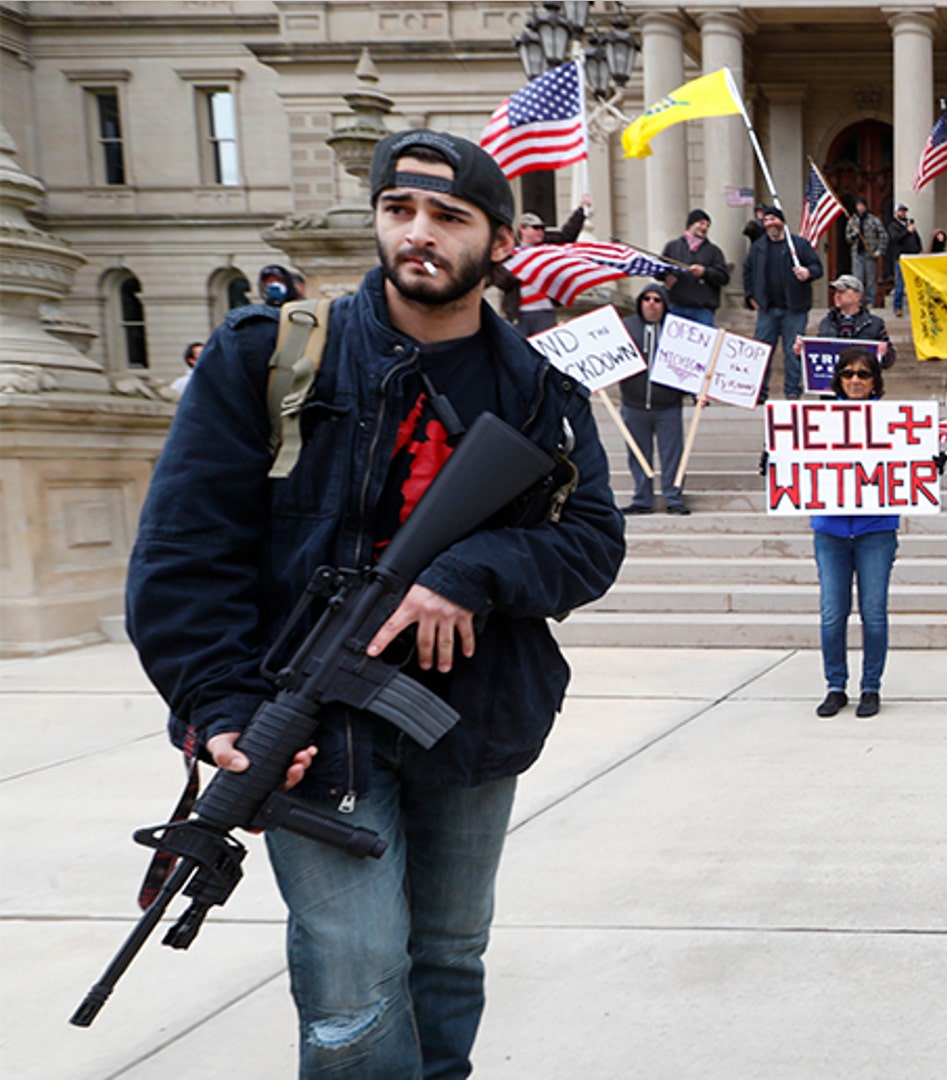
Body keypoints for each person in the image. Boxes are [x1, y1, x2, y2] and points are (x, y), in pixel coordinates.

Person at [125, 128, 626, 1079]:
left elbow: (593, 546)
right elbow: (184, 555)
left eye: (449, 215)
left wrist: (471, 571)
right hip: (308, 729)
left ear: (502, 242)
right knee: (352, 990)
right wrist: (219, 709)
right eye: (399, 211)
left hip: (472, 722)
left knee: (447, 958)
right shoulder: (268, 358)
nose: (419, 234)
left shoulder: (539, 391)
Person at [810, 347, 897, 721]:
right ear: (838, 380)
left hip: (875, 528)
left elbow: (907, 462)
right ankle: (835, 686)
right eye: (848, 374)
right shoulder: (817, 419)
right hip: (830, 528)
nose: (856, 380)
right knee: (833, 613)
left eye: (863, 374)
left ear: (875, 379)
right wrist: (777, 459)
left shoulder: (892, 420)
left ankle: (871, 687)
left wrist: (928, 462)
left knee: (873, 612)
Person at [618, 283, 691, 515]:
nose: (651, 303)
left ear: (664, 305)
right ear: (640, 303)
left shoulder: (678, 332)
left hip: (668, 406)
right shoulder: (626, 328)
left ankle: (673, 497)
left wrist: (696, 391)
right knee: (638, 454)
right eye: (646, 298)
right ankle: (642, 498)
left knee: (672, 455)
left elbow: (692, 365)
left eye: (657, 300)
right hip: (634, 405)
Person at [742, 205, 823, 400]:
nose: (770, 223)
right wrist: (751, 296)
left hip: (794, 309)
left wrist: (808, 272)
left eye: (774, 219)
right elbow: (748, 272)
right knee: (762, 352)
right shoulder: (758, 248)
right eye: (767, 220)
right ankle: (759, 392)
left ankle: (793, 391)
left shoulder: (799, 245)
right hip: (767, 310)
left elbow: (817, 267)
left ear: (782, 222)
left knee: (792, 353)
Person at [512, 198, 590, 334]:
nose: (540, 231)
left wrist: (581, 211)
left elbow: (567, 235)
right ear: (522, 229)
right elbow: (500, 279)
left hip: (545, 310)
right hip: (519, 313)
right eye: (535, 227)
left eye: (542, 228)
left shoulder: (546, 247)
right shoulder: (511, 253)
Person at [661, 208, 730, 327]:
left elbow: (723, 277)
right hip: (676, 306)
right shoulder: (672, 247)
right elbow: (659, 268)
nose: (704, 228)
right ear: (691, 224)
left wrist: (705, 272)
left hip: (702, 310)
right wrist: (666, 276)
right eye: (701, 223)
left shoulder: (714, 251)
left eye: (707, 225)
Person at [819, 273, 893, 368]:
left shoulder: (874, 324)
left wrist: (884, 354)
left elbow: (889, 358)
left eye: (842, 292)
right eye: (835, 292)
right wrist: (801, 351)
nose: (837, 295)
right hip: (832, 380)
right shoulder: (826, 323)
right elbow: (816, 354)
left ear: (857, 297)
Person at [844, 197, 889, 306]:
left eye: (862, 205)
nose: (860, 208)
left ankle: (870, 300)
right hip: (857, 254)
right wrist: (854, 234)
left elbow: (883, 236)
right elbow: (847, 238)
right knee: (857, 279)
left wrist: (880, 250)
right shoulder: (852, 221)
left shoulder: (874, 220)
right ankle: (858, 301)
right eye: (858, 206)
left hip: (870, 254)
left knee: (870, 280)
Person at [885, 202, 922, 316]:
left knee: (915, 283)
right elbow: (895, 238)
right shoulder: (893, 226)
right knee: (900, 282)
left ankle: (916, 306)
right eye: (901, 211)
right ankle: (897, 307)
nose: (903, 213)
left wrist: (919, 249)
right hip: (901, 257)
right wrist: (907, 231)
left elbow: (916, 239)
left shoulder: (908, 224)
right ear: (896, 213)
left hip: (912, 257)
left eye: (904, 211)